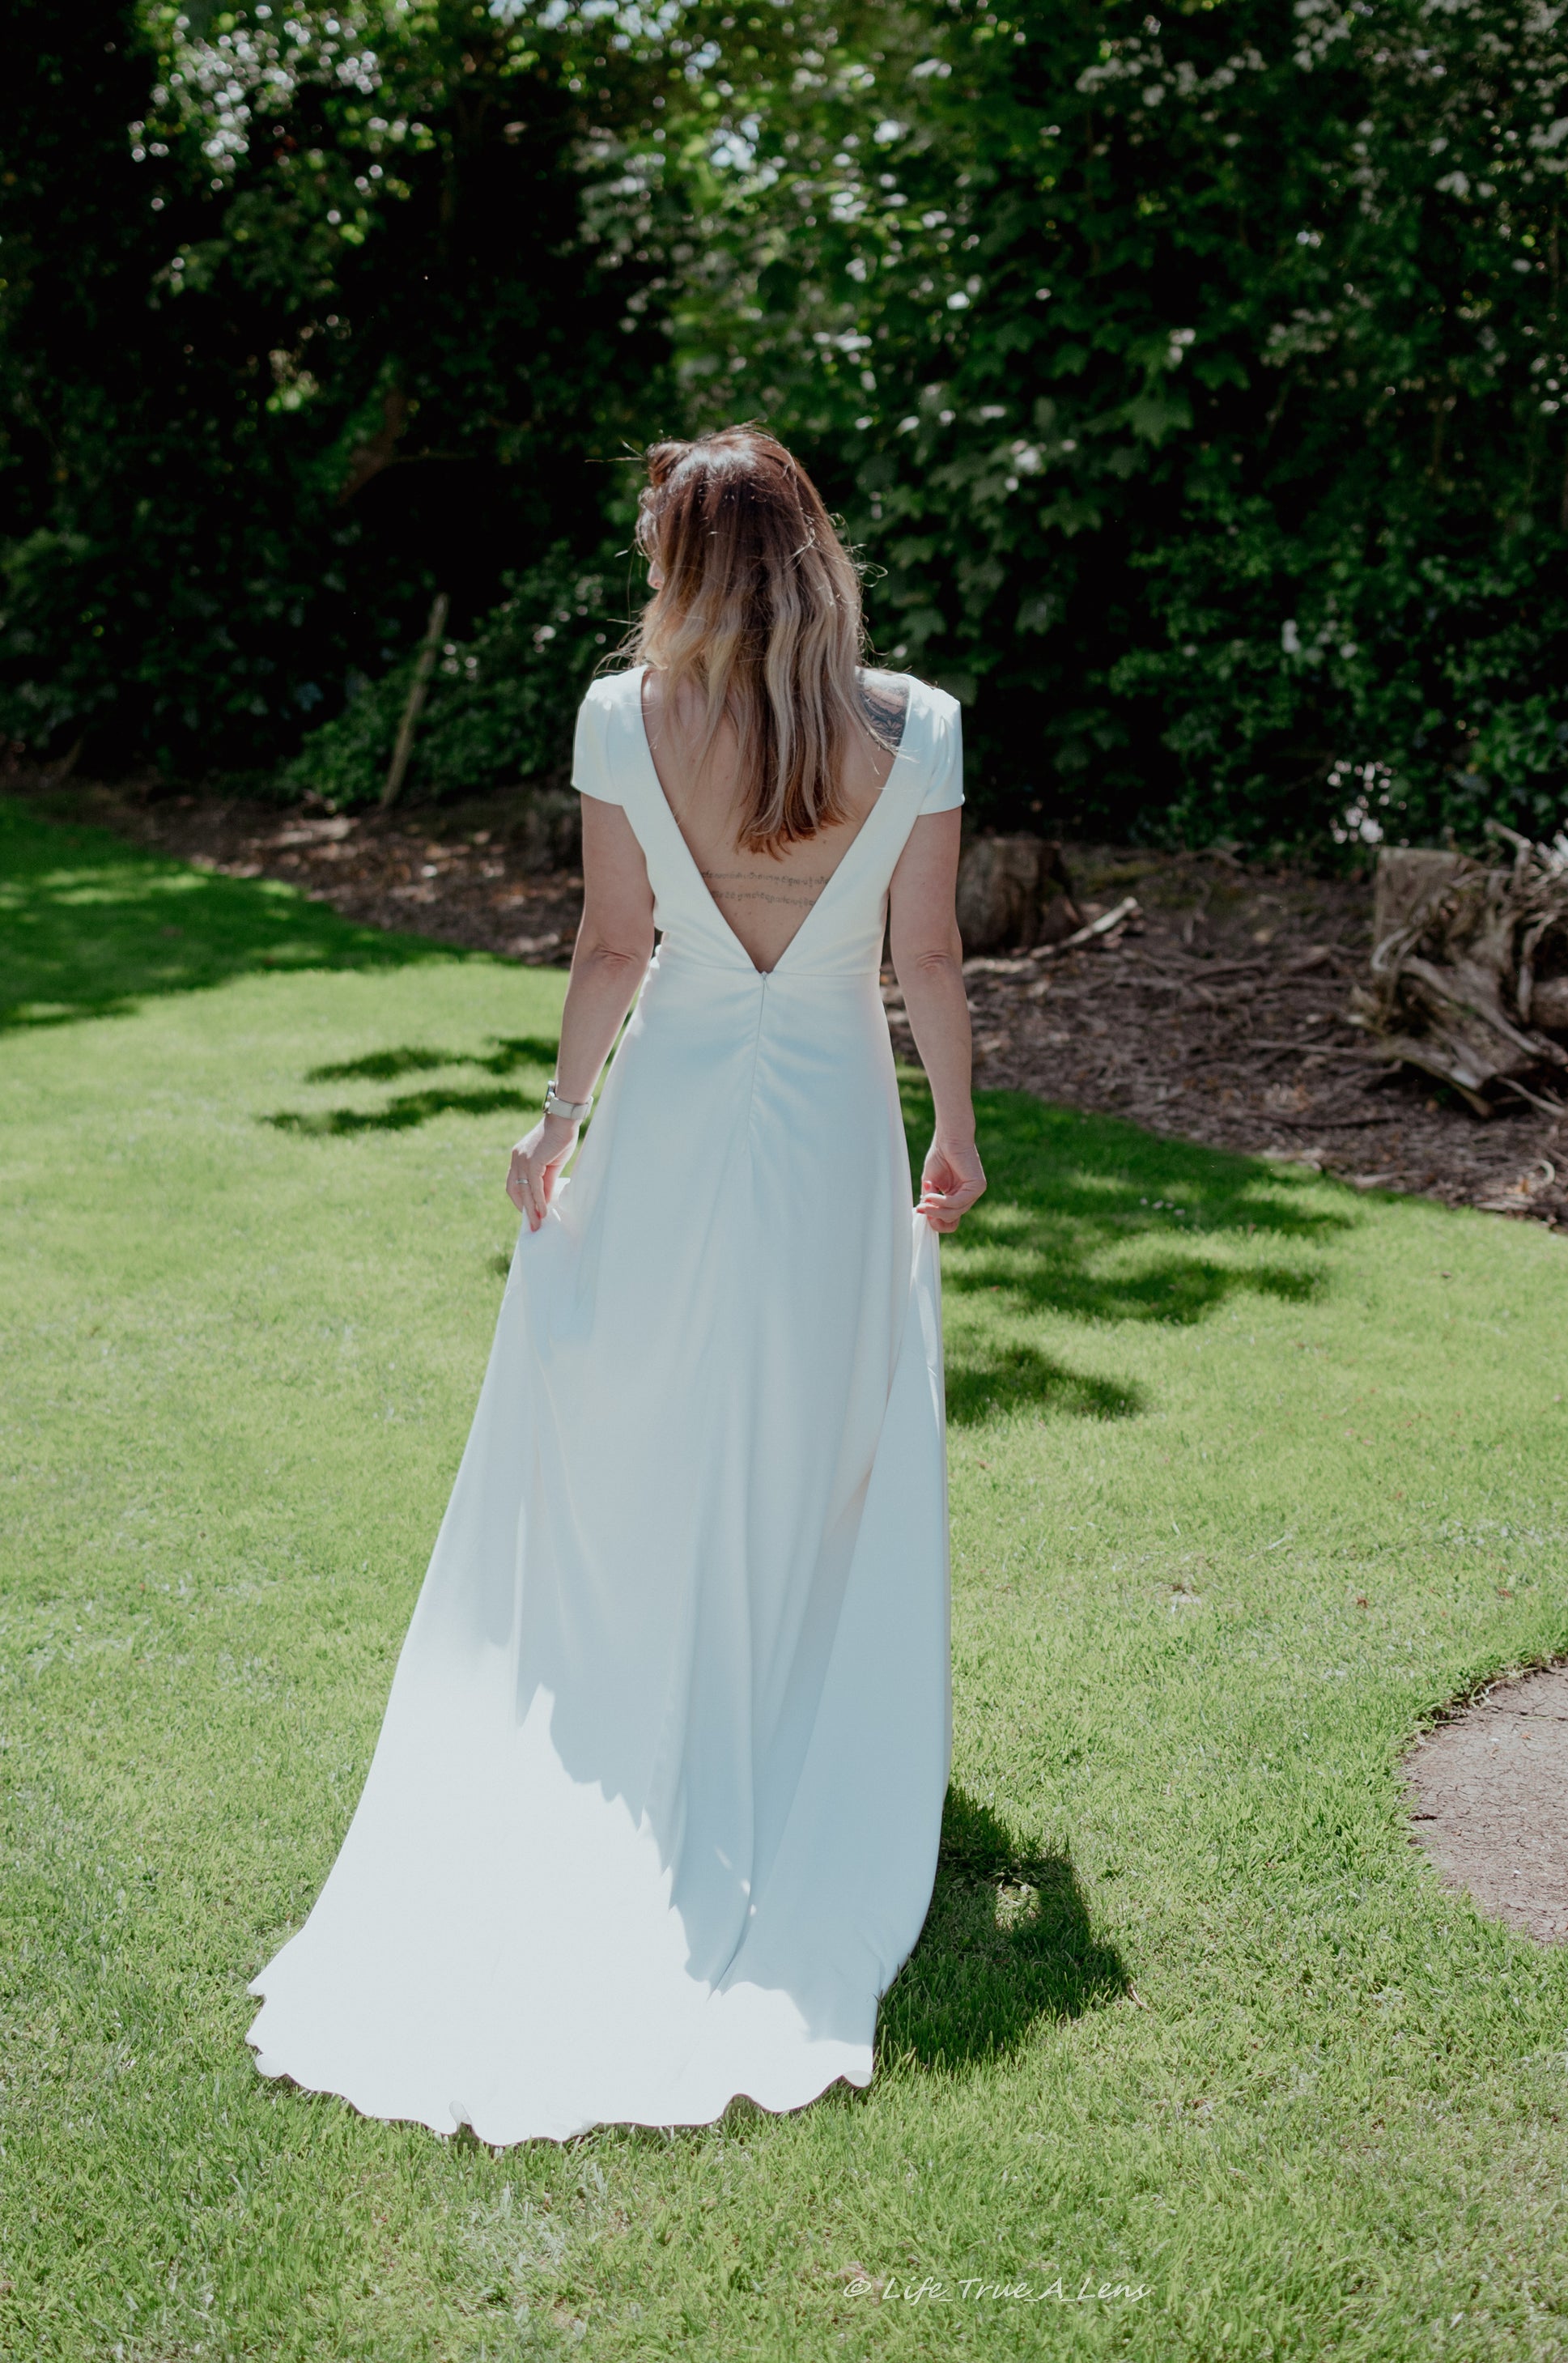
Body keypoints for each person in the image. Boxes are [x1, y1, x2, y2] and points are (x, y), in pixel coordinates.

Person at [246, 427, 986, 2143]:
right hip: (821, 1135)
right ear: (811, 547)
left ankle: (668, 1701)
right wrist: (954, 1125)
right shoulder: (919, 725)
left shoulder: (616, 715)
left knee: (646, 1424)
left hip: (667, 1123)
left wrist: (554, 1120)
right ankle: (777, 1724)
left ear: (684, 562)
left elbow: (610, 948)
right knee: (808, 1429)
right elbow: (925, 954)